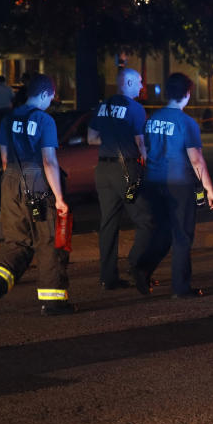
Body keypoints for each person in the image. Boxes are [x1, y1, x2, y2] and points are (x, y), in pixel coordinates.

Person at [0, 74, 73, 315]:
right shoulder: (44, 120)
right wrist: (60, 199)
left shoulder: (7, 119)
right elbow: (49, 162)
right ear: (44, 94)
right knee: (49, 242)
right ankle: (53, 303)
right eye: (51, 96)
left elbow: (3, 158)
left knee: (17, 241)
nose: (51, 101)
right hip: (38, 184)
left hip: (10, 183)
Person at [140, 73, 213, 298]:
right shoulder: (187, 123)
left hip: (154, 182)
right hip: (179, 184)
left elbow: (145, 150)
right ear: (187, 94)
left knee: (163, 232)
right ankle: (181, 287)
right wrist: (208, 189)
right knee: (182, 236)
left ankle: (142, 268)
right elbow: (196, 160)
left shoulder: (153, 118)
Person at [87, 68, 155, 293]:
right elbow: (140, 144)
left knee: (108, 223)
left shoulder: (102, 106)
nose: (142, 86)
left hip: (103, 171)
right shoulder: (135, 109)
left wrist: (112, 141)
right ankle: (136, 266)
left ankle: (108, 277)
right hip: (126, 171)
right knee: (145, 219)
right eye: (139, 82)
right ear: (128, 82)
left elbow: (91, 138)